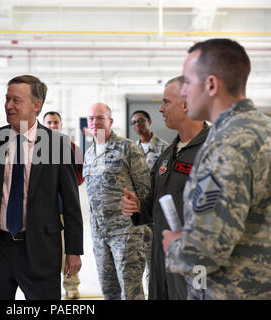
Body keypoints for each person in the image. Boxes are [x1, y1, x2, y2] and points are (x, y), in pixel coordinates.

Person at [162, 39, 271, 299]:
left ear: (211, 85)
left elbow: (206, 251)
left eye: (188, 82)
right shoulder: (266, 129)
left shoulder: (228, 144)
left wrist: (175, 245)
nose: (184, 93)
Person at [0, 75, 84, 300]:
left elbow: (71, 203)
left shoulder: (57, 145)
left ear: (36, 106)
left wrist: (73, 250)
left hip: (40, 250)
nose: (8, 105)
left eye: (16, 100)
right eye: (7, 99)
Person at [121, 76, 209, 299]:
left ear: (186, 104)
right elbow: (156, 205)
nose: (160, 109)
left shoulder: (214, 151)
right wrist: (138, 206)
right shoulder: (166, 156)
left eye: (166, 102)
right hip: (162, 259)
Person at [83, 102, 150, 300]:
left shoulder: (127, 148)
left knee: (131, 292)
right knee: (108, 291)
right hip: (99, 235)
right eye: (91, 119)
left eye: (100, 118)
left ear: (110, 121)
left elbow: (145, 192)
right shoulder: (89, 153)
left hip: (126, 234)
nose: (95, 122)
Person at [43, 111, 84, 299]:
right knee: (46, 254)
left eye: (55, 122)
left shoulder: (71, 147)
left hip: (63, 209)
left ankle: (71, 285)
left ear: (61, 125)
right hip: (42, 212)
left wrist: (64, 187)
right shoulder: (36, 148)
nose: (52, 126)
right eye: (49, 123)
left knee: (69, 249)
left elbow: (80, 175)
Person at [130, 109, 169, 296]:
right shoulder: (132, 149)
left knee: (155, 264)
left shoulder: (164, 149)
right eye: (134, 122)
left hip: (156, 213)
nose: (138, 125)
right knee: (138, 262)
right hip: (139, 215)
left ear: (149, 121)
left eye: (141, 121)